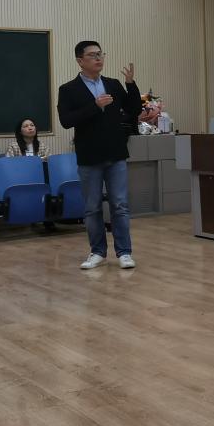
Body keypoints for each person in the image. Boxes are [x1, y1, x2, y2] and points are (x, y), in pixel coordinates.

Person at [57, 40, 142, 270]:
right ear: (80, 60)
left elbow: (134, 110)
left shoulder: (113, 84)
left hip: (115, 153)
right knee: (92, 207)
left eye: (101, 54)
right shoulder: (68, 89)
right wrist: (94, 106)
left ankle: (124, 252)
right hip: (89, 156)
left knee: (120, 205)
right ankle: (97, 252)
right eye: (93, 55)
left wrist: (131, 85)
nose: (99, 58)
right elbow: (66, 121)